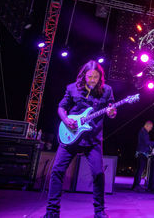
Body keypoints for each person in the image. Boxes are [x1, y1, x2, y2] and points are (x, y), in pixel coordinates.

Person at [43, 60, 117, 218]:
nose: (92, 80)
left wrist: (111, 113)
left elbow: (112, 111)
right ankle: (52, 212)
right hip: (70, 137)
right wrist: (65, 119)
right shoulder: (72, 88)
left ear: (100, 77)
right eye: (90, 76)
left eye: (96, 77)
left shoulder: (107, 90)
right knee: (57, 171)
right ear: (84, 75)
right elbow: (61, 107)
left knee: (98, 173)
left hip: (93, 139)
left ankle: (99, 211)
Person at [132, 121, 154, 192]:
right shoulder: (144, 132)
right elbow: (147, 142)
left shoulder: (142, 131)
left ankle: (135, 185)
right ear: (147, 126)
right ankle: (136, 186)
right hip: (142, 153)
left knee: (139, 170)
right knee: (140, 170)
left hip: (141, 152)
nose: (151, 129)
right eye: (151, 127)